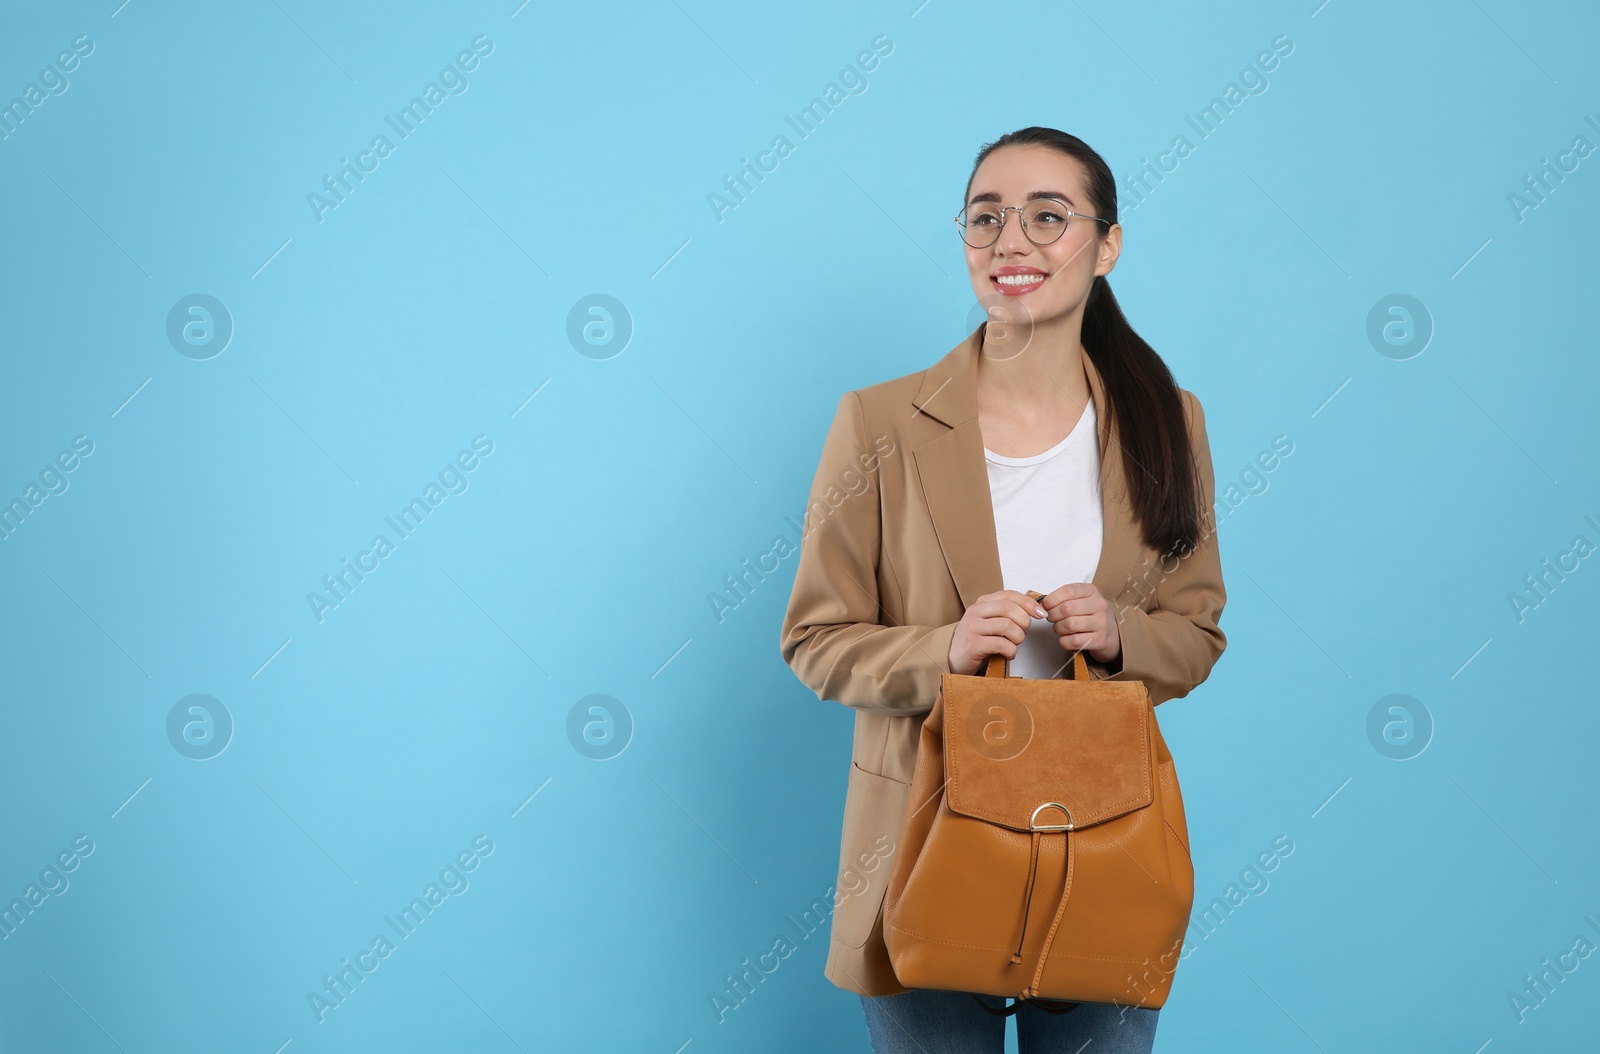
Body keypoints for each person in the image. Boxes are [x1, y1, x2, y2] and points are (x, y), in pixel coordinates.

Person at [778, 126, 1229, 1052]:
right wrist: (939, 647)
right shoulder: (879, 422)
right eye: (985, 218)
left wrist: (1117, 636)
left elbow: (1197, 633)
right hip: (920, 842)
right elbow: (815, 641)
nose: (1010, 242)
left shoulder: (1168, 421)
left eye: (1046, 217)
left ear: (1106, 245)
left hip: (1101, 841)